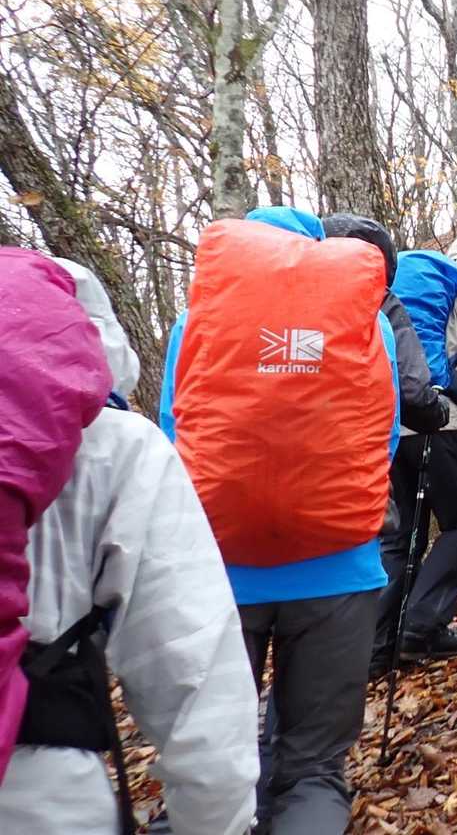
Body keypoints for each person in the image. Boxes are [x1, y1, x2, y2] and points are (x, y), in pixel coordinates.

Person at [0, 252, 258, 835]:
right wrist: (214, 822)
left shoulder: (192, 329)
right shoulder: (113, 447)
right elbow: (195, 674)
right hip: (45, 804)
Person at [160, 206, 398, 835]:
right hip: (339, 570)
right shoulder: (368, 321)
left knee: (210, 769)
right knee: (314, 770)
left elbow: (173, 430)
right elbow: (385, 433)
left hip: (218, 570)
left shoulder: (194, 321)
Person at [375, 235, 457, 667]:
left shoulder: (404, 293)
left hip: (392, 426)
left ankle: (377, 644)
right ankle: (420, 628)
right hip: (440, 423)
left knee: (400, 537)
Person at [322, 214, 456, 433]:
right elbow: (412, 390)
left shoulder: (288, 296)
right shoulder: (378, 299)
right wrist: (438, 411)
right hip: (356, 441)